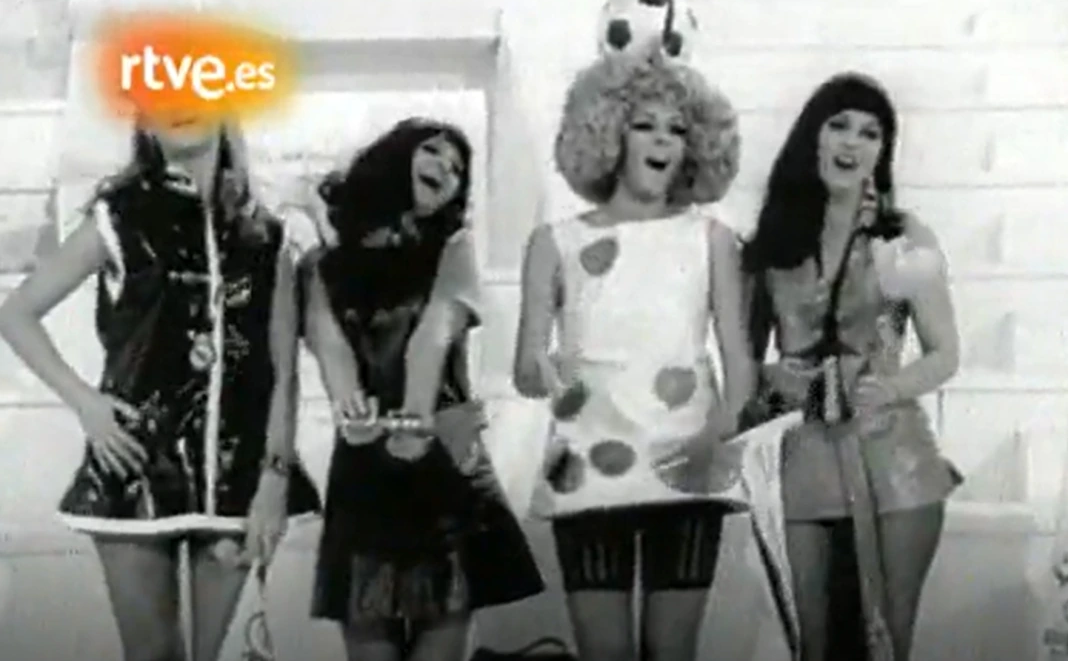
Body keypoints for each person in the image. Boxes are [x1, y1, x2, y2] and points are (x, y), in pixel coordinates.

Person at [0, 116, 322, 661]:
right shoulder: (118, 216)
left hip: (239, 472)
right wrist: (87, 405)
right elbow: (17, 314)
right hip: (134, 465)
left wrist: (275, 477)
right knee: (151, 654)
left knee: (228, 653)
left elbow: (282, 367)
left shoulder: (266, 232)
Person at [512, 47, 755, 661]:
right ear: (609, 135)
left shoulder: (713, 240)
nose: (662, 140)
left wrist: (717, 439)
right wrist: (550, 372)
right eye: (645, 125)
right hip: (589, 463)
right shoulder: (554, 243)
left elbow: (740, 369)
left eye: (677, 129)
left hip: (686, 461)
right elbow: (526, 370)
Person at [300, 117, 544, 661]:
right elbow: (328, 342)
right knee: (369, 634)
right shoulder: (321, 264)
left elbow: (434, 334)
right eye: (432, 152)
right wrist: (350, 412)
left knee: (442, 636)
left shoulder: (453, 248)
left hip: (443, 458)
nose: (445, 169)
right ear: (396, 155)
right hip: (364, 465)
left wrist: (414, 421)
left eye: (457, 169)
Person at [739, 72, 964, 661]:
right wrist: (773, 380)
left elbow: (945, 353)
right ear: (810, 136)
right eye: (839, 125)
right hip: (804, 457)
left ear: (883, 152)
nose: (852, 142)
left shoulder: (902, 235)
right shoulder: (773, 241)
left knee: (885, 640)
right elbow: (745, 365)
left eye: (871, 133)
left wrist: (890, 387)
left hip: (893, 457)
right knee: (812, 644)